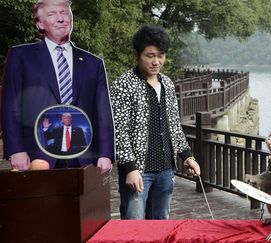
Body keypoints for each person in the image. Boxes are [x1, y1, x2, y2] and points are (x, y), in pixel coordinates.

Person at [1, 0, 114, 172]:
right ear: (39, 23)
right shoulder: (21, 56)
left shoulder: (94, 63)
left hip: (84, 157)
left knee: (85, 200)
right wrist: (16, 150)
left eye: (64, 13)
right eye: (52, 14)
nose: (60, 19)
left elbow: (103, 112)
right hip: (37, 155)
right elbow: (10, 105)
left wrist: (106, 153)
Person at [110, 24, 201, 220]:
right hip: (138, 170)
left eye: (160, 55)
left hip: (166, 170)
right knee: (134, 226)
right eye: (150, 55)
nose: (156, 61)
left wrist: (187, 157)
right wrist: (130, 168)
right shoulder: (123, 84)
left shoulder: (166, 83)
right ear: (136, 54)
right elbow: (119, 130)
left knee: (161, 224)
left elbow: (174, 125)